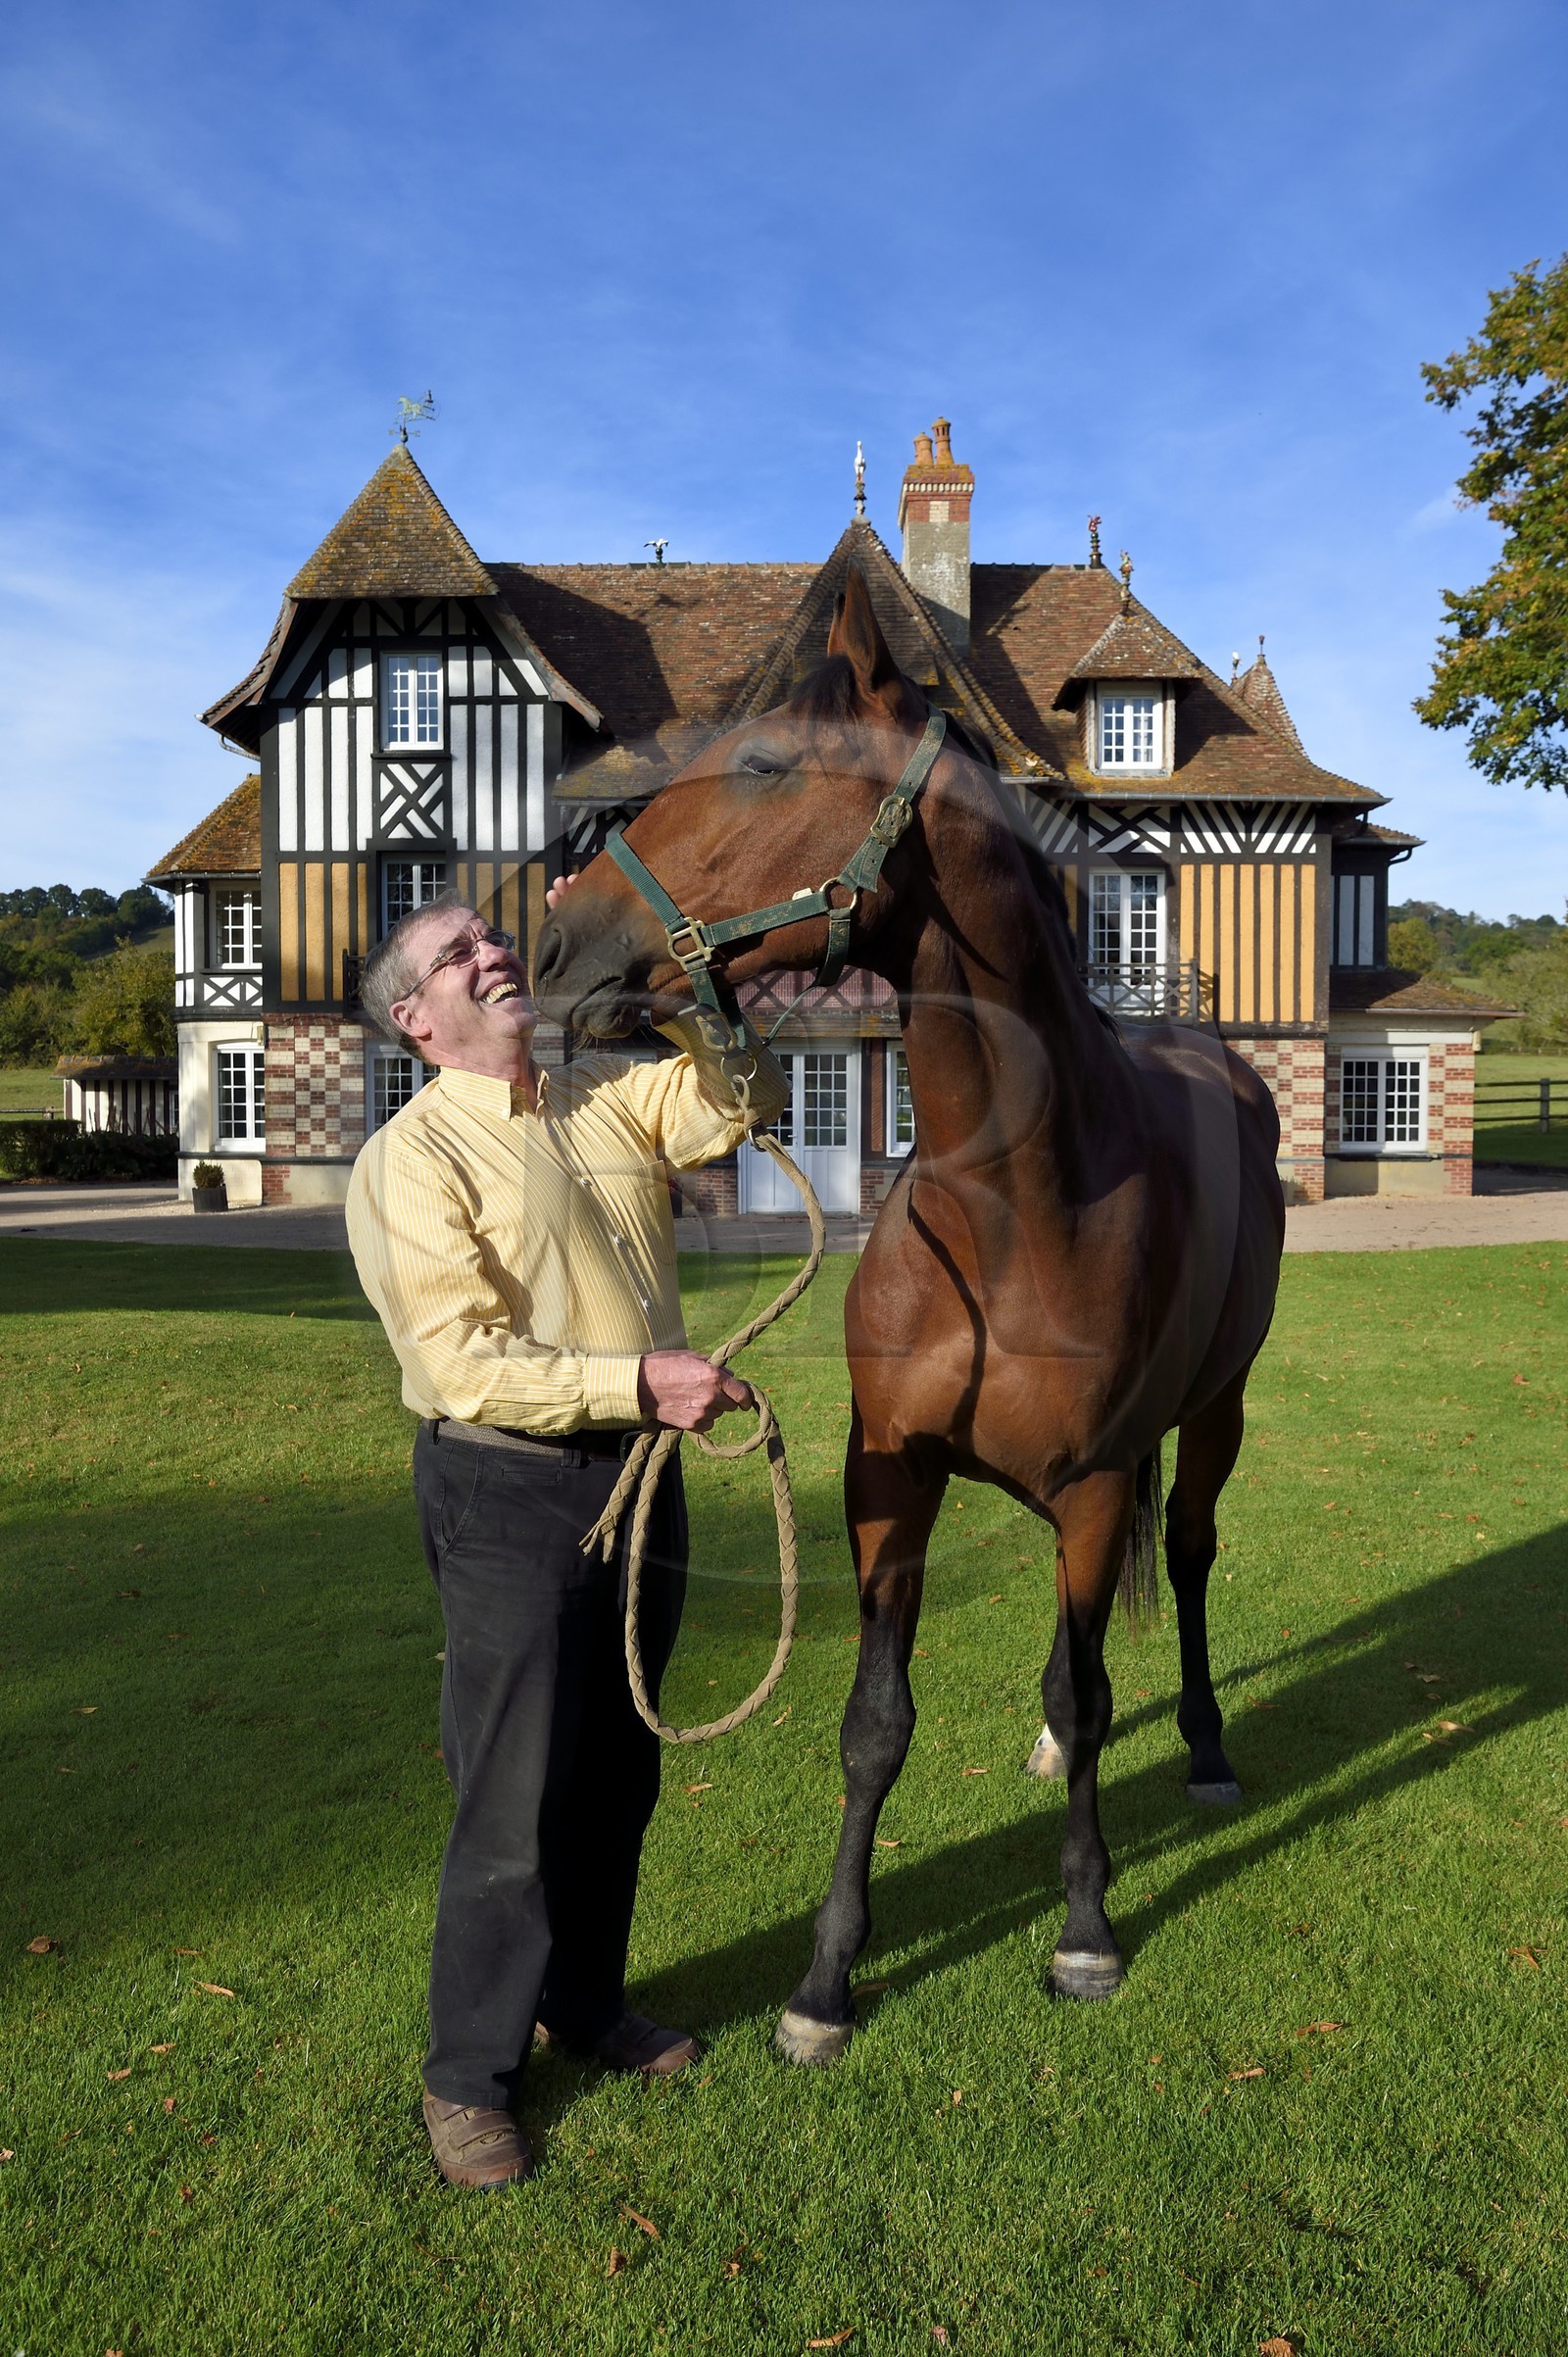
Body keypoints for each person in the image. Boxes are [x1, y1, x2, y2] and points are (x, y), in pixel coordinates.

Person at [345, 887, 787, 2191]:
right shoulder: (410, 1160)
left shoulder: (609, 1095)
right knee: (514, 1798)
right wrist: (644, 1381)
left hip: (641, 1478)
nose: (491, 953)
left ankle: (586, 2005)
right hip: (508, 1490)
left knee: (616, 1776)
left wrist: (703, 984)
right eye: (456, 952)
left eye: (492, 935)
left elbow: (739, 1099)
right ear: (417, 1019)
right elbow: (464, 1362)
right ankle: (467, 2078)